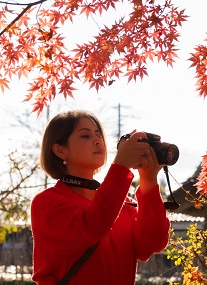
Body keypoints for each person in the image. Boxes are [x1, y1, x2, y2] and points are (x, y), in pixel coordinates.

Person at [30, 109, 170, 285]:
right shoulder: (47, 203)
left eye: (98, 135)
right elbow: (92, 226)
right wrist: (121, 166)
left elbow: (151, 245)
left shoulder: (123, 204)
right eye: (85, 136)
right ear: (60, 150)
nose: (98, 141)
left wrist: (148, 180)